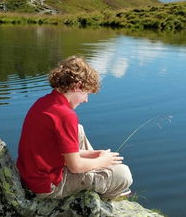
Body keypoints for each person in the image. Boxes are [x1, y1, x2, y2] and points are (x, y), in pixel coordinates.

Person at [17, 55, 133, 200]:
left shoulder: (44, 102)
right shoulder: (66, 115)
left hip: (30, 176)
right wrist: (102, 161)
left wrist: (95, 154)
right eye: (86, 93)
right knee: (123, 174)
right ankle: (103, 195)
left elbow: (56, 151)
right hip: (48, 186)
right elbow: (75, 167)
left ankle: (95, 173)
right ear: (77, 86)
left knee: (78, 129)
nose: (86, 100)